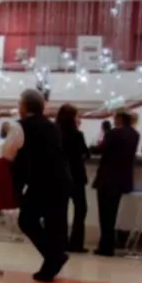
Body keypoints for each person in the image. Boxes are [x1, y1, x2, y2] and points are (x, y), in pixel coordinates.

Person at [3, 89, 71, 282]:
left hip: (41, 181)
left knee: (27, 220)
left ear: (24, 106)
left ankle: (54, 257)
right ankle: (50, 265)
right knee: (55, 224)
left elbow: (7, 153)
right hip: (61, 179)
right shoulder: (52, 126)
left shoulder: (20, 127)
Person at [93, 110, 140, 257]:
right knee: (113, 212)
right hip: (122, 178)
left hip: (107, 178)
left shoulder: (113, 133)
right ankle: (108, 245)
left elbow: (102, 150)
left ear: (119, 118)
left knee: (105, 213)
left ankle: (105, 246)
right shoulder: (135, 134)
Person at [56, 104, 90, 253]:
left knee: (60, 210)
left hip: (60, 176)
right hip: (76, 176)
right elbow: (85, 153)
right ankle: (76, 243)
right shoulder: (77, 135)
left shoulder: (55, 133)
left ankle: (60, 241)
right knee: (81, 209)